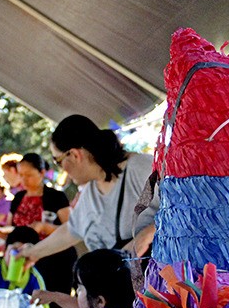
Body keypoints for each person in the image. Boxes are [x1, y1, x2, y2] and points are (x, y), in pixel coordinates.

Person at [19, 114, 158, 266]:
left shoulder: (140, 168)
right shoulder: (90, 191)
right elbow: (70, 231)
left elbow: (185, 210)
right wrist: (30, 254)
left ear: (74, 155)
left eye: (58, 161)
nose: (62, 169)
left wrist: (147, 234)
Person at [5, 152, 76, 308]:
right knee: (26, 306)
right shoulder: (18, 197)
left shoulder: (56, 197)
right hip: (24, 261)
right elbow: (11, 228)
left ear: (42, 172)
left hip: (56, 261)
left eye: (29, 175)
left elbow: (72, 229)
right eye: (21, 175)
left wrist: (45, 228)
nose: (24, 180)